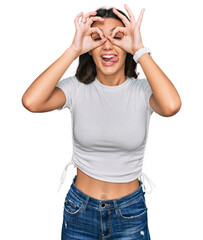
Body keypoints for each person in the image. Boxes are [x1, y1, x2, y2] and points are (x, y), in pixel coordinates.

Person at [22, 4, 181, 239]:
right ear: (90, 48)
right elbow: (31, 102)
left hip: (129, 213)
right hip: (79, 211)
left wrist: (139, 48)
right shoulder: (76, 88)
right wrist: (74, 49)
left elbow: (171, 106)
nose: (107, 45)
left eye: (118, 36)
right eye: (97, 38)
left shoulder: (143, 91)